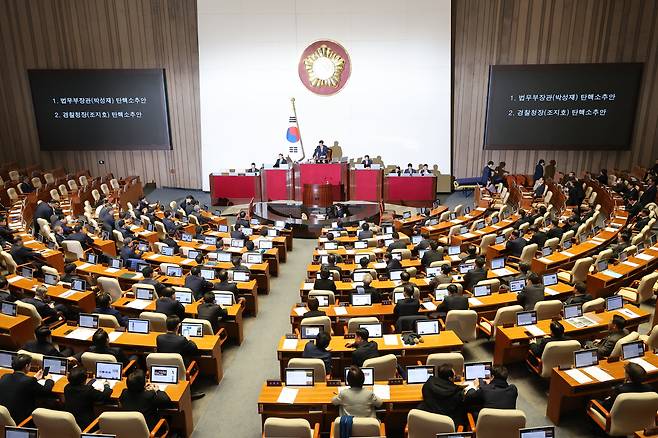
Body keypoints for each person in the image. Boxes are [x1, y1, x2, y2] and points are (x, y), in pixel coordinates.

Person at [0, 353, 54, 422]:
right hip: (21, 420)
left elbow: (20, 383)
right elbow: (46, 391)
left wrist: (35, 378)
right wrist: (49, 380)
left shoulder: (5, 376)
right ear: (26, 366)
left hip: (3, 418)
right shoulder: (29, 381)